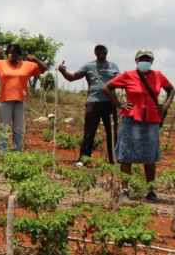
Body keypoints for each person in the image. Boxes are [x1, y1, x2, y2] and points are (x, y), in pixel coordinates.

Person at [102, 50, 174, 202]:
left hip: (152, 119)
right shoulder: (128, 75)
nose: (145, 61)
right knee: (126, 154)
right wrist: (119, 105)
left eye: (148, 59)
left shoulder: (158, 75)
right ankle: (124, 191)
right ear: (136, 60)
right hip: (132, 117)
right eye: (142, 59)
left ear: (152, 61)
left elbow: (171, 89)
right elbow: (106, 88)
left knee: (150, 155)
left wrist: (166, 106)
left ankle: (150, 191)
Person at [58, 43, 120, 166]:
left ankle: (115, 160)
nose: (101, 51)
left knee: (112, 132)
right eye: (98, 50)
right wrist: (63, 72)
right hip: (94, 102)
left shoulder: (113, 66)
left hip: (110, 102)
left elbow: (121, 81)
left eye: (103, 49)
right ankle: (83, 159)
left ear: (107, 51)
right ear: (95, 53)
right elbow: (72, 77)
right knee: (89, 131)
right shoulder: (89, 66)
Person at [0, 44, 47, 153]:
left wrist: (34, 59)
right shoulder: (0, 64)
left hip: (21, 100)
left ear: (19, 55)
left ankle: (16, 153)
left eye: (15, 53)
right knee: (4, 128)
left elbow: (43, 68)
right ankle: (3, 152)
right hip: (5, 99)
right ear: (7, 54)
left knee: (17, 129)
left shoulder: (27, 65)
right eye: (10, 53)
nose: (13, 55)